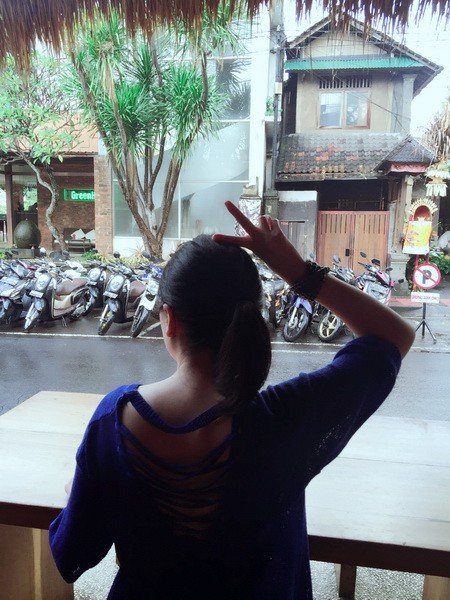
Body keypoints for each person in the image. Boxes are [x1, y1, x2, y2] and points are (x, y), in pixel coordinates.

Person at [49, 201, 415, 599]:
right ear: (254, 316)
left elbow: (73, 553)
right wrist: (297, 272)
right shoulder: (287, 420)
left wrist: (80, 489)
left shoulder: (114, 421)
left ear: (169, 320)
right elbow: (394, 336)